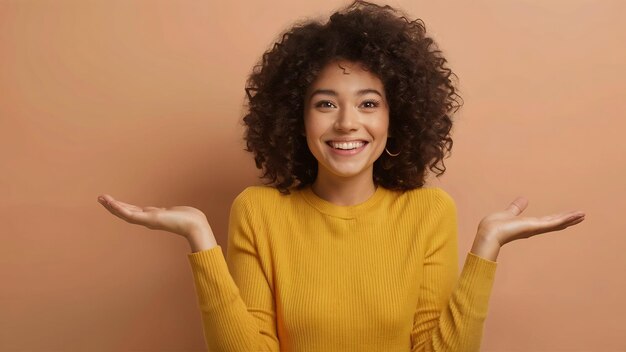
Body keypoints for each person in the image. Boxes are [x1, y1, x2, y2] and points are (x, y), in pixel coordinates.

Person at [97, 1, 586, 350]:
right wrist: (200, 240)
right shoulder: (258, 210)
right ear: (297, 119)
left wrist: (485, 249)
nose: (347, 122)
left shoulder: (428, 211)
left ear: (397, 117)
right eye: (326, 103)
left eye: (368, 103)